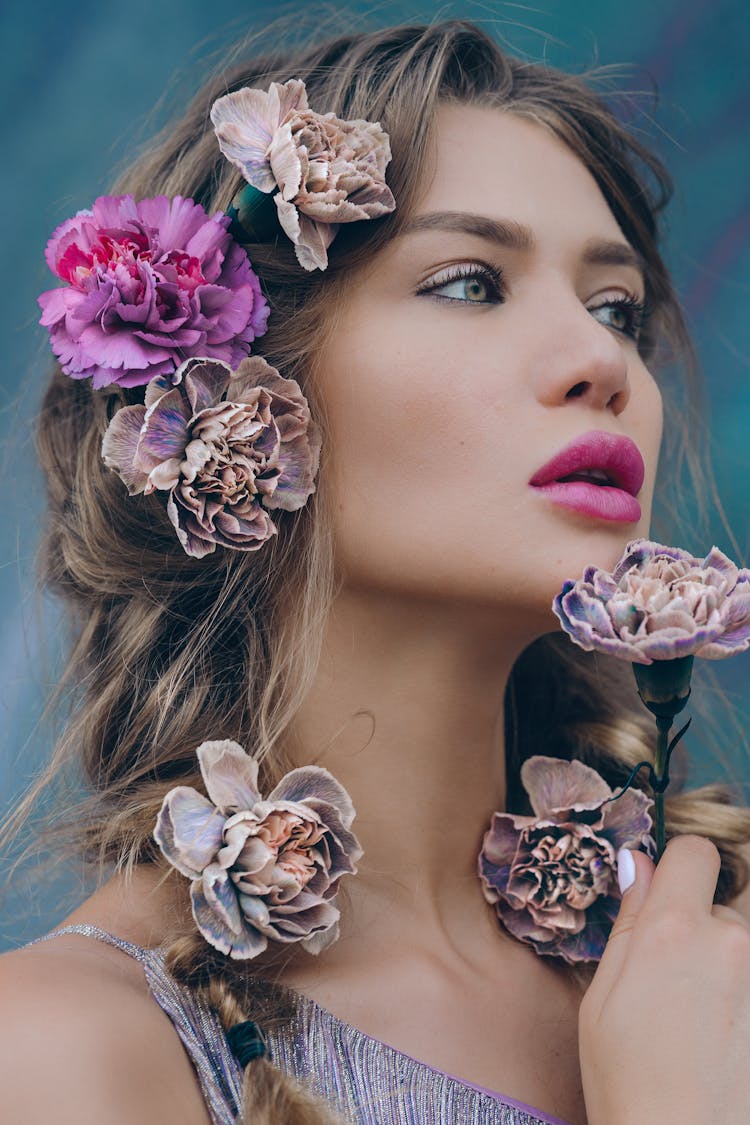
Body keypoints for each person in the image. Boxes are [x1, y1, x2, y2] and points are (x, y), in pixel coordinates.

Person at [1, 17, 750, 1125]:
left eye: (617, 308)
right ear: (245, 402)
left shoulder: (720, 964)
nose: (602, 362)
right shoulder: (69, 1049)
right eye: (469, 283)